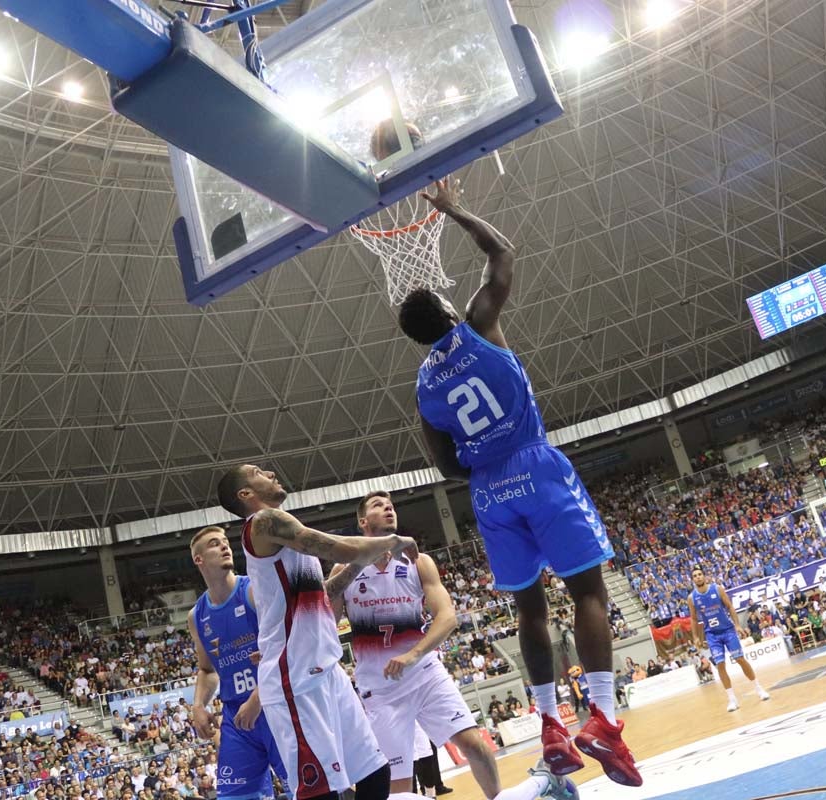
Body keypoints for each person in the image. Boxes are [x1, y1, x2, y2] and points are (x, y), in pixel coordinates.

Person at [397, 178, 639, 786]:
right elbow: (503, 255)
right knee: (588, 591)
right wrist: (454, 211)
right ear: (450, 313)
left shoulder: (424, 390)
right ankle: (604, 719)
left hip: (486, 490)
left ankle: (552, 725)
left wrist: (483, 463)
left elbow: (446, 466)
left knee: (529, 607)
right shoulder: (479, 324)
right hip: (534, 463)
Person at [328, 490, 573, 800]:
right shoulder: (344, 570)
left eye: (391, 504)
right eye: (378, 505)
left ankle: (503, 794)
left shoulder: (418, 562)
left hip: (425, 675)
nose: (388, 508)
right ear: (363, 521)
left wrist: (413, 655)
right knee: (399, 790)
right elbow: (324, 626)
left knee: (476, 746)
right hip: (380, 689)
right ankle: (541, 782)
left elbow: (447, 617)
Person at [216, 463, 422, 800]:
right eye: (258, 472)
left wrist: (360, 563)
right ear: (245, 494)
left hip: (326, 670)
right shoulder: (265, 522)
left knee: (375, 773)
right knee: (320, 792)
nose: (269, 471)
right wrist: (393, 540)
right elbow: (334, 547)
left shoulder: (281, 534)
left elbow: (321, 594)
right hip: (296, 679)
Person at [186, 525, 288, 800]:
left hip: (277, 706)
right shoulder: (197, 616)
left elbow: (287, 647)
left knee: (305, 791)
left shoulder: (254, 591)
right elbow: (208, 669)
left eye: (225, 542)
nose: (225, 546)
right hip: (237, 717)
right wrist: (198, 705)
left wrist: (258, 697)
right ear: (199, 560)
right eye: (214, 544)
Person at [688, 567, 770, 712]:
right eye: (695, 575)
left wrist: (737, 625)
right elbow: (694, 619)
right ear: (693, 579)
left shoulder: (717, 589)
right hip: (712, 635)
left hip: (727, 630)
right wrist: (695, 637)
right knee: (720, 665)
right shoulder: (692, 598)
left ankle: (759, 688)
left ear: (704, 576)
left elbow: (730, 607)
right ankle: (732, 699)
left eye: (700, 574)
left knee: (740, 659)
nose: (698, 577)